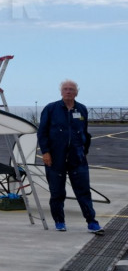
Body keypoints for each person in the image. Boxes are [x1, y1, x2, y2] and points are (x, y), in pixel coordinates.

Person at [38, 80, 103, 234]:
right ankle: (59, 221)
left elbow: (85, 132)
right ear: (61, 92)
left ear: (76, 92)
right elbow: (42, 133)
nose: (68, 91)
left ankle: (92, 222)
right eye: (65, 89)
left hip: (77, 159)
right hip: (55, 158)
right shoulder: (51, 109)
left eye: (71, 89)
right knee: (57, 193)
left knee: (84, 192)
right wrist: (45, 152)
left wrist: (83, 150)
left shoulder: (81, 109)